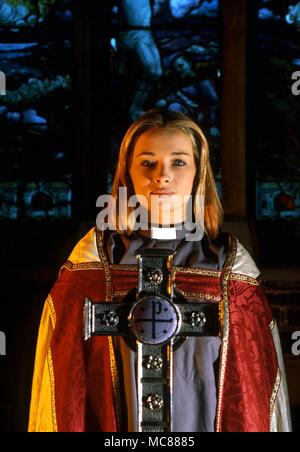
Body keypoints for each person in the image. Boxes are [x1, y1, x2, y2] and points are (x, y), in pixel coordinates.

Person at [28, 109, 292, 432]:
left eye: (178, 162)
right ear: (127, 174)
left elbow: (252, 394)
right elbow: (64, 387)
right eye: (147, 162)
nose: (162, 176)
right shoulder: (94, 263)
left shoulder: (228, 268)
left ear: (199, 174)